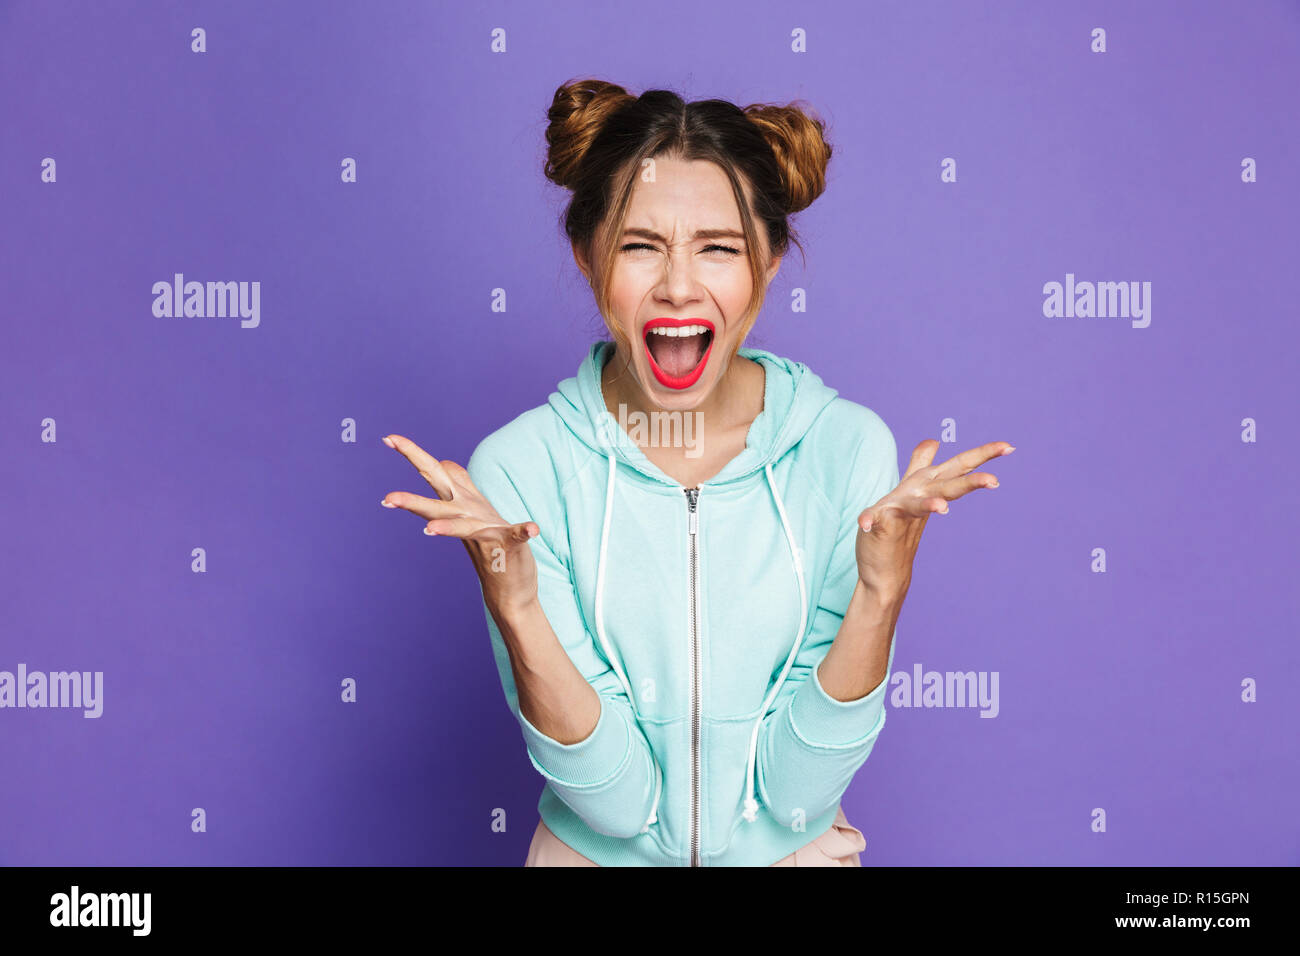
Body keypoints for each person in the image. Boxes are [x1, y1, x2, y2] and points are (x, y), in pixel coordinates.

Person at [380, 78, 1013, 866]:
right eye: (640, 246)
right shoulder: (518, 472)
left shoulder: (845, 450)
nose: (679, 284)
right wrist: (518, 607)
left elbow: (796, 798)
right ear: (586, 257)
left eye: (719, 248)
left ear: (769, 263)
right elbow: (615, 808)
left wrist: (881, 593)